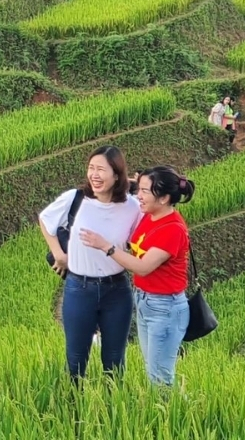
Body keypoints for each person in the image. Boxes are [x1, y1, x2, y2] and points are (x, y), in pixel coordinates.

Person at [80, 166, 195, 386]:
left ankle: (176, 418)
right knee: (154, 371)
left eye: (144, 192)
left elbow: (142, 267)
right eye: (138, 190)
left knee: (159, 377)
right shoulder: (149, 215)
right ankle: (169, 415)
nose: (138, 196)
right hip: (145, 301)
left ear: (163, 198)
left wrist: (106, 247)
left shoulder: (172, 229)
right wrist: (133, 184)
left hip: (165, 308)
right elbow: (128, 198)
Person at [38, 145, 141, 381]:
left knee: (115, 360)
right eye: (91, 168)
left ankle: (112, 410)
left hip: (117, 290)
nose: (94, 175)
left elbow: (145, 235)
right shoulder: (75, 199)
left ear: (116, 174)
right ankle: (74, 409)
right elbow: (45, 219)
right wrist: (58, 254)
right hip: (79, 288)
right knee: (75, 360)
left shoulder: (131, 207)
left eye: (101, 169)